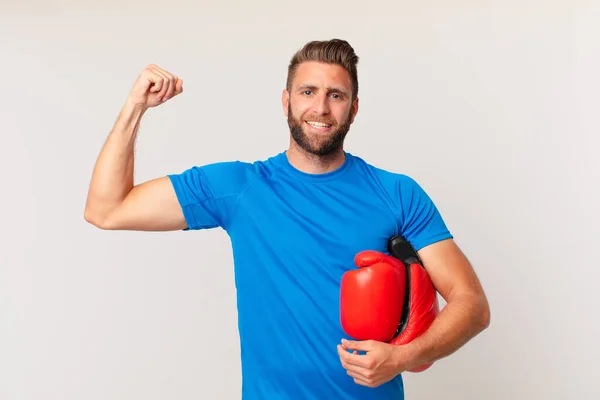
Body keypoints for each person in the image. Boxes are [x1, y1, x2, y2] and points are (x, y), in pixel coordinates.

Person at [84, 38, 490, 399]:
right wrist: (135, 106)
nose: (320, 107)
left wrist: (402, 357)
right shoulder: (240, 187)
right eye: (308, 92)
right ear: (286, 101)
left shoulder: (397, 194)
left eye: (336, 95)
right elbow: (107, 209)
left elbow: (471, 303)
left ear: (354, 108)